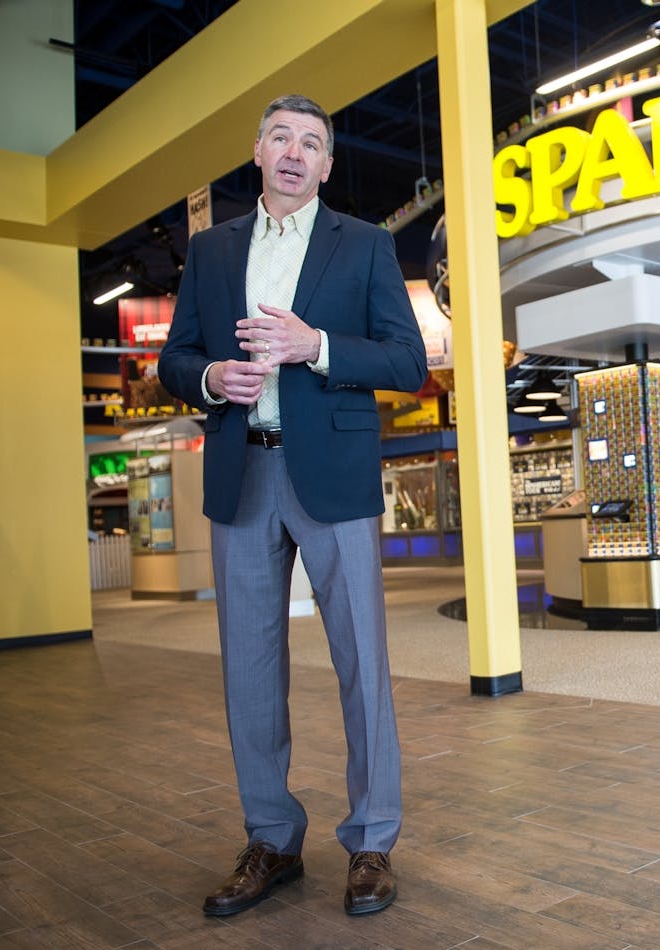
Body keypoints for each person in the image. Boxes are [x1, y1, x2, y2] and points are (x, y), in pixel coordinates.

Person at [157, 94, 426, 919]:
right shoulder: (210, 251)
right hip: (244, 472)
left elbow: (408, 361)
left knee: (360, 664)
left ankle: (372, 839)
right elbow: (174, 359)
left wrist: (319, 347)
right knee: (249, 668)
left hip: (334, 478)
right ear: (258, 150)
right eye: (282, 137)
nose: (295, 152)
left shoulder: (368, 245)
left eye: (313, 142)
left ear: (328, 165)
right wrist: (210, 379)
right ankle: (272, 838)